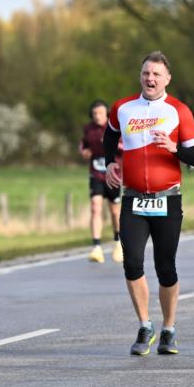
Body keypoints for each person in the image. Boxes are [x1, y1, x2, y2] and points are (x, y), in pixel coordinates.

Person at [104, 52, 194, 356]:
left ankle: (169, 329)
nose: (150, 79)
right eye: (146, 73)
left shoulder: (179, 111)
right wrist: (110, 163)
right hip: (132, 198)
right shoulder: (123, 107)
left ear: (167, 79)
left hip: (167, 200)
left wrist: (174, 148)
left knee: (165, 267)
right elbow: (109, 135)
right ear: (140, 76)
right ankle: (146, 325)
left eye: (157, 74)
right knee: (132, 262)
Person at [79, 99, 123, 264]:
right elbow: (83, 145)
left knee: (114, 211)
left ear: (107, 114)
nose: (97, 116)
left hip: (114, 175)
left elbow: (126, 147)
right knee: (95, 207)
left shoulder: (115, 128)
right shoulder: (88, 129)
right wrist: (84, 152)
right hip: (96, 174)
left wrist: (115, 145)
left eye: (101, 113)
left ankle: (118, 242)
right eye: (95, 113)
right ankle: (96, 247)